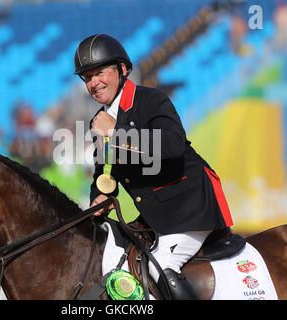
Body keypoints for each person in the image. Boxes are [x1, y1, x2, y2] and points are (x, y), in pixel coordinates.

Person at [74, 34, 233, 299]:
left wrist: (115, 131)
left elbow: (172, 146)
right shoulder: (99, 121)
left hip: (190, 206)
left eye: (99, 72)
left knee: (161, 267)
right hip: (154, 216)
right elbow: (104, 173)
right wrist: (99, 197)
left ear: (122, 69)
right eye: (87, 77)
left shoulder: (151, 100)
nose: (93, 83)